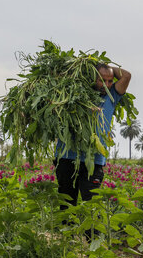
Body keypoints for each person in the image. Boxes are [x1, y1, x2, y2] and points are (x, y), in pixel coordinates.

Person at [54, 63, 131, 214]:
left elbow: (127, 76)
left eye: (110, 80)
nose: (107, 85)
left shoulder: (112, 96)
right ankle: (66, 236)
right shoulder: (72, 94)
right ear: (91, 78)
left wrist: (103, 65)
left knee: (92, 206)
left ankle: (91, 238)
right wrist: (90, 68)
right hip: (67, 157)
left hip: (94, 160)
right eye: (102, 80)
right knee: (66, 207)